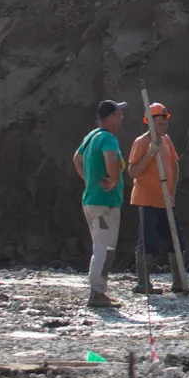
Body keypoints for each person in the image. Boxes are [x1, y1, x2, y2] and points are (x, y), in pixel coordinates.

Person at [127, 101, 189, 295]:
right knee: (147, 241)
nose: (164, 127)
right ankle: (143, 283)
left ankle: (180, 281)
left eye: (166, 123)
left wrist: (171, 193)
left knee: (176, 240)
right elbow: (133, 171)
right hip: (146, 200)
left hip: (165, 201)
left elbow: (174, 166)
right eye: (161, 123)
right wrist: (149, 154)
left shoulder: (167, 141)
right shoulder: (141, 142)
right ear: (150, 123)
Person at [72, 100, 129, 309]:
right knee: (103, 248)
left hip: (91, 200)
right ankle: (96, 292)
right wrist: (113, 180)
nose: (121, 118)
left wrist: (88, 179)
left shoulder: (90, 136)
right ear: (110, 117)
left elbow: (76, 158)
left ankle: (99, 290)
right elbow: (110, 159)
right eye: (118, 114)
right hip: (105, 203)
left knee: (105, 247)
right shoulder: (108, 138)